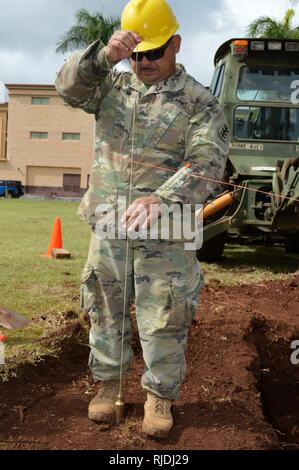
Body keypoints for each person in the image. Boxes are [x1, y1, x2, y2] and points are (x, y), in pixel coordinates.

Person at [55, 0, 229, 438]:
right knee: (104, 308)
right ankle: (108, 387)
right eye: (137, 54)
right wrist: (104, 57)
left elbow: (208, 162)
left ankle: (159, 396)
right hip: (110, 222)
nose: (144, 62)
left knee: (165, 315)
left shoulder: (200, 102)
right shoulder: (111, 86)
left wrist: (162, 198)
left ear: (176, 44)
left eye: (154, 52)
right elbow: (67, 90)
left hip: (168, 230)